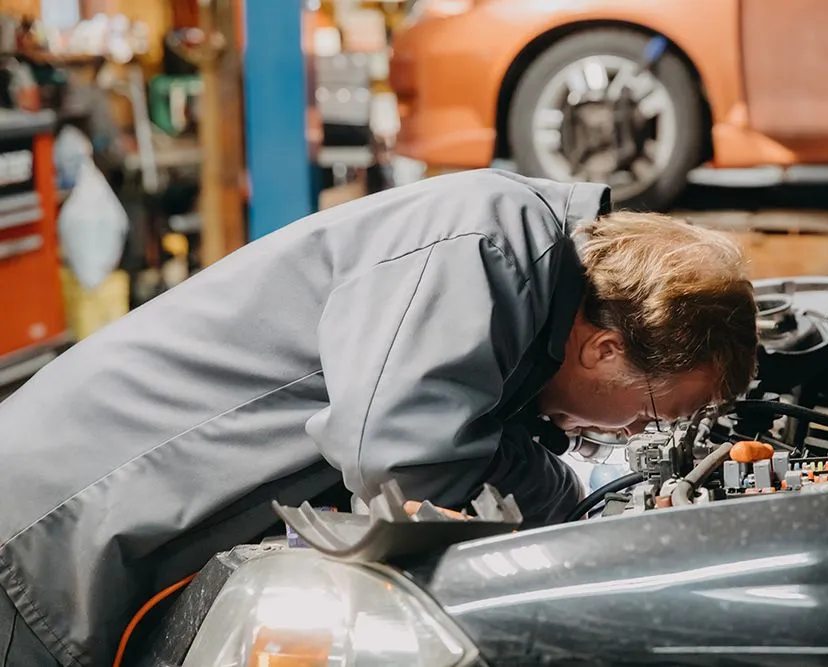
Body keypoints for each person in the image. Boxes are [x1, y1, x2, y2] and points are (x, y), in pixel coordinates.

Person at [0, 169, 757, 666]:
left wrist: (565, 496)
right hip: (51, 534)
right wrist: (571, 509)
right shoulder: (493, 239)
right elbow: (403, 454)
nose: (636, 439)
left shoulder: (525, 280)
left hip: (90, 531)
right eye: (656, 416)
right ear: (603, 349)